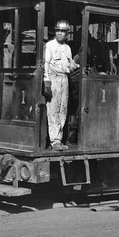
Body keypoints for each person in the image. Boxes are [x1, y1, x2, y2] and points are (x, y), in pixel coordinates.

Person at [43, 20, 79, 150]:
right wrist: (46, 81)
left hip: (65, 79)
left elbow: (69, 66)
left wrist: (77, 64)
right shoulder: (49, 45)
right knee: (53, 109)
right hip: (53, 79)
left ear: (67, 34)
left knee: (63, 110)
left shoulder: (67, 48)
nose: (60, 33)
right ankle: (54, 141)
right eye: (58, 31)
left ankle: (59, 139)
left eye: (63, 31)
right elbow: (46, 64)